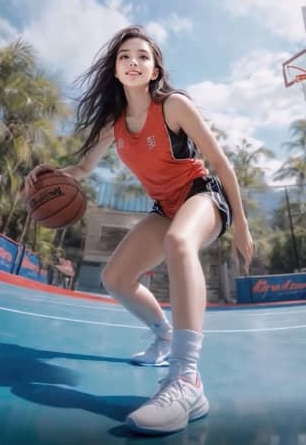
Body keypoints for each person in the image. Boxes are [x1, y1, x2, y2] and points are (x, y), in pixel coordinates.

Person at [26, 25, 253, 435]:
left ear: (154, 70)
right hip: (165, 206)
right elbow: (81, 171)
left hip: (203, 194)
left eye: (143, 56)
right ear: (115, 70)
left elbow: (221, 163)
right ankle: (163, 335)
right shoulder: (111, 125)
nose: (134, 61)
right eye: (125, 56)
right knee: (115, 278)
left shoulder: (174, 106)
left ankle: (187, 379)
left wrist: (242, 227)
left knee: (179, 241)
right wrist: (53, 175)